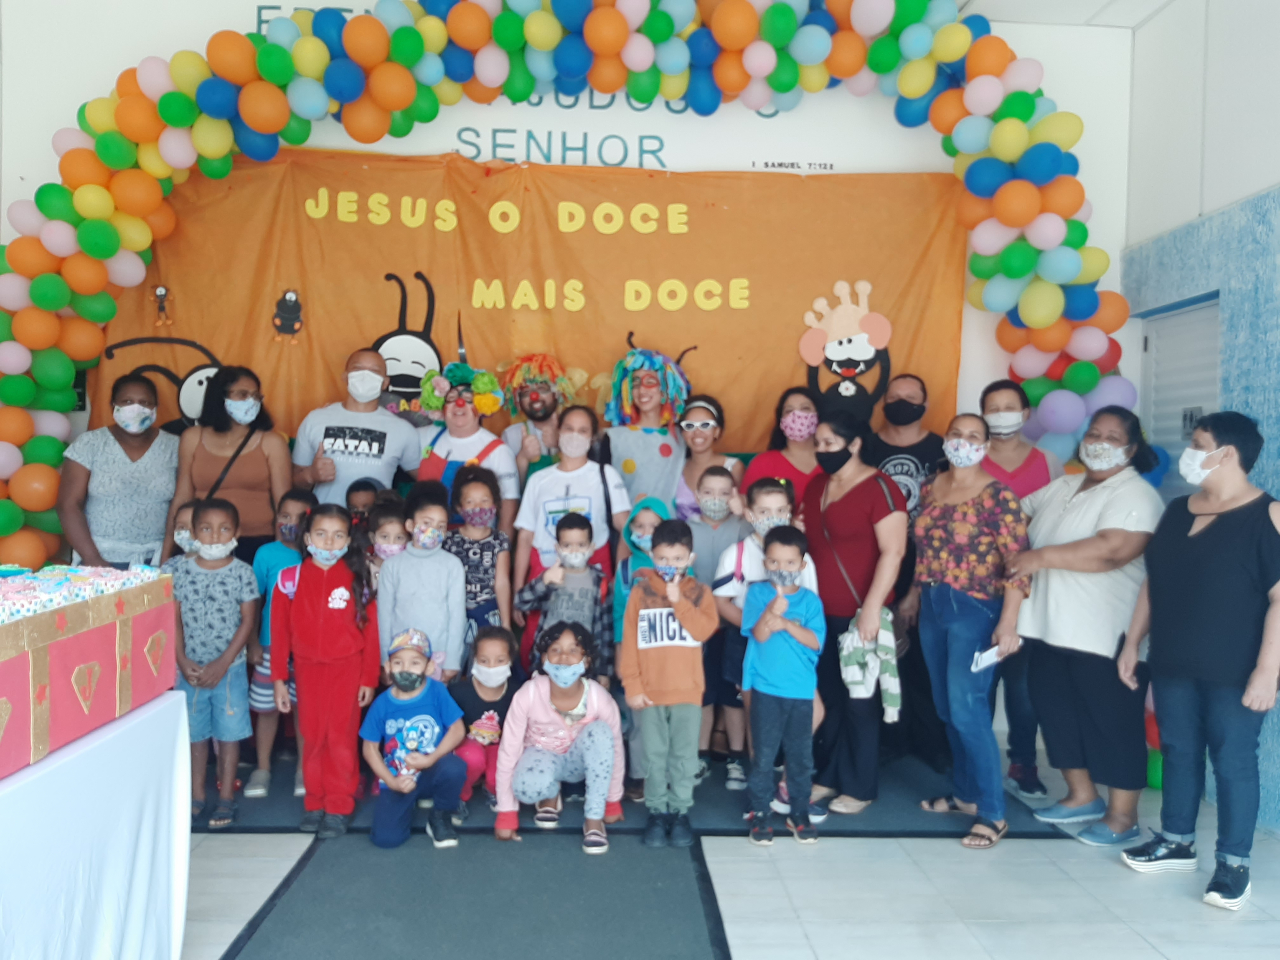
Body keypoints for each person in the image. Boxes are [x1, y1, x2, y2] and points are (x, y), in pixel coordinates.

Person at [1119, 412, 1280, 909]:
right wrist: (1132, 643)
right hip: (1173, 660)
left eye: (1198, 443)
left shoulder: (1268, 515)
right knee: (1179, 750)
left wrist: (1268, 671)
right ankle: (1176, 841)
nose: (1189, 452)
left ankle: (1233, 865)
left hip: (1236, 669)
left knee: (1233, 761)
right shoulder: (1178, 510)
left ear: (1227, 453)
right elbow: (1154, 582)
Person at [1007, 406, 1164, 847]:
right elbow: (1014, 514)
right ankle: (1081, 797)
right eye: (1094, 433)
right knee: (1056, 715)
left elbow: (1113, 550)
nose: (1099, 443)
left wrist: (1039, 557)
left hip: (1104, 633)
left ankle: (1122, 816)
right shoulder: (1065, 484)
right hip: (1047, 627)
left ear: (1131, 449)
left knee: (1113, 724)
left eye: (1112, 437)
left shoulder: (1136, 494)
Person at [911, 415, 1030, 850]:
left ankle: (993, 813)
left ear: (986, 445)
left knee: (967, 709)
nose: (964, 442)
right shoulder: (931, 487)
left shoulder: (998, 496)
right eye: (957, 434)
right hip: (932, 604)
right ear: (946, 440)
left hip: (975, 609)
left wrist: (1008, 622)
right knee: (946, 708)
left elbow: (1018, 564)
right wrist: (913, 595)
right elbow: (925, 550)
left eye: (974, 436)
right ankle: (965, 795)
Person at [804, 412, 908, 816]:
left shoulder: (881, 489)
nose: (821, 450)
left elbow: (893, 552)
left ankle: (860, 786)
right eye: (817, 443)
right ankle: (829, 775)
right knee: (830, 697)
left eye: (829, 443)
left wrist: (872, 609)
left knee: (859, 700)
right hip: (819, 613)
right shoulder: (817, 485)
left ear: (855, 444)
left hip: (859, 614)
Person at [269, 504, 381, 838]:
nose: (329, 543)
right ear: (307, 538)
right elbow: (278, 633)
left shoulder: (359, 579)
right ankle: (315, 802)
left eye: (337, 536)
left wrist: (368, 678)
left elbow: (371, 633)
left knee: (341, 738)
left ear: (348, 540)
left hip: (348, 669)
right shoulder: (289, 580)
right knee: (313, 736)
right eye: (321, 534)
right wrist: (279, 678)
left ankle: (339, 805)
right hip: (307, 670)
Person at [858, 374, 950, 774]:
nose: (901, 402)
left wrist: (917, 587)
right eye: (893, 396)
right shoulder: (866, 447)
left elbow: (945, 521)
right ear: (882, 403)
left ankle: (930, 744)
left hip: (927, 566)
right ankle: (888, 740)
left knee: (926, 661)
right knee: (881, 656)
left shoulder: (942, 449)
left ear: (924, 404)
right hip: (874, 564)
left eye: (910, 397)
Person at [978, 379, 1063, 800]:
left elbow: (1059, 517)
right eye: (992, 408)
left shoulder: (1048, 461)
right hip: (978, 587)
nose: (1001, 415)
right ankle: (974, 764)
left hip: (1032, 588)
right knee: (980, 679)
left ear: (1026, 414)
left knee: (1022, 684)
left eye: (1009, 407)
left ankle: (1023, 763)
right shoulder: (970, 458)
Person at [712, 477, 817, 792]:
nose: (773, 517)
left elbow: (811, 604)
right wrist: (754, 626)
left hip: (791, 645)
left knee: (811, 709)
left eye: (780, 510)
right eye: (764, 511)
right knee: (755, 714)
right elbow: (721, 601)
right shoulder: (737, 553)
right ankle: (760, 786)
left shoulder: (802, 556)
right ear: (749, 514)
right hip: (747, 642)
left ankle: (785, 779)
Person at [619, 519, 720, 849]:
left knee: (684, 756)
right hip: (650, 692)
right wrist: (632, 685)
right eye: (662, 558)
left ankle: (679, 811)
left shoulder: (701, 593)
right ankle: (656, 811)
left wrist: (678, 600)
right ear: (652, 556)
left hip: (687, 692)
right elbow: (630, 642)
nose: (669, 565)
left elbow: (704, 631)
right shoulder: (640, 592)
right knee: (653, 755)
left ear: (690, 558)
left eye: (677, 559)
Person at [494, 621, 626, 854]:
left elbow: (614, 747)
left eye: (573, 650)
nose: (564, 657)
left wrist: (612, 799)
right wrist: (506, 812)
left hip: (579, 762)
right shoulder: (529, 694)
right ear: (544, 658)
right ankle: (550, 793)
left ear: (586, 660)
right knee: (525, 788)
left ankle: (593, 820)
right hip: (541, 755)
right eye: (555, 649)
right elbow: (509, 749)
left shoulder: (599, 697)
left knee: (601, 733)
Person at [168, 499, 260, 830]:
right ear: (193, 533)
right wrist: (181, 659)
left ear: (237, 532)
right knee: (195, 735)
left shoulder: (243, 572)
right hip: (189, 669)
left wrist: (223, 663)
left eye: (224, 529)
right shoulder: (177, 571)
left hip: (230, 671)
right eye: (206, 529)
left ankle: (226, 797)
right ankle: (196, 795)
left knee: (229, 734)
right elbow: (173, 619)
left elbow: (247, 621)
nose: (215, 536)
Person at [742, 525, 827, 845]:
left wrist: (787, 623)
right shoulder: (757, 594)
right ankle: (761, 812)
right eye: (774, 562)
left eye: (790, 563)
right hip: (766, 689)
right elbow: (759, 635)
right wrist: (770, 612)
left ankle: (799, 812)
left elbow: (816, 641)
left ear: (802, 564)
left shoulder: (810, 601)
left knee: (800, 756)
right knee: (763, 755)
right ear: (765, 562)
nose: (782, 568)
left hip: (801, 692)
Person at [167, 366, 292, 563]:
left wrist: (280, 553)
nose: (251, 401)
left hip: (257, 543)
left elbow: (283, 506)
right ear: (220, 396)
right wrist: (167, 553)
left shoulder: (272, 442)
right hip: (203, 542)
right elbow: (182, 497)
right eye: (242, 394)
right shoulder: (192, 438)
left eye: (256, 396)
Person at [58, 373, 180, 568]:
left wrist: (165, 559)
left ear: (155, 407)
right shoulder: (90, 444)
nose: (136, 408)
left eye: (145, 402)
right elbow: (68, 504)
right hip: (97, 558)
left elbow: (182, 505)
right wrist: (92, 559)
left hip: (156, 560)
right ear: (113, 405)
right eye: (127, 401)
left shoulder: (175, 446)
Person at [362, 629, 467, 850]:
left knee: (454, 767)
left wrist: (431, 759)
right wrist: (392, 782)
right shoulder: (382, 703)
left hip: (431, 769)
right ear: (388, 667)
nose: (405, 669)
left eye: (415, 662)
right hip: (398, 777)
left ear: (429, 667)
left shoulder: (436, 691)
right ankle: (407, 802)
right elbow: (369, 748)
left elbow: (458, 729)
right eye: (398, 662)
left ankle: (440, 815)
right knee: (386, 839)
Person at [245, 488, 318, 800]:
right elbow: (253, 600)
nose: (290, 523)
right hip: (270, 645)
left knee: (305, 710)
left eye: (299, 518)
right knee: (267, 709)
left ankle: (304, 768)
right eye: (284, 516)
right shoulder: (266, 553)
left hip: (309, 650)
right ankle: (262, 767)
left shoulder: (319, 555)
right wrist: (252, 643)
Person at [512, 405, 631, 596]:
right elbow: (525, 537)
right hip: (545, 576)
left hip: (594, 578)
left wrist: (618, 577)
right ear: (558, 431)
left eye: (583, 431)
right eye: (569, 428)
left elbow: (625, 528)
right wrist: (518, 590)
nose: (575, 436)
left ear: (592, 438)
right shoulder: (538, 480)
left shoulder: (606, 475)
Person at [688, 466, 752, 784]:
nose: (716, 499)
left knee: (732, 694)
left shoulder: (743, 528)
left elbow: (766, 546)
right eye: (709, 492)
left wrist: (745, 514)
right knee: (703, 693)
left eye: (724, 493)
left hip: (734, 627)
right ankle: (701, 756)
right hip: (697, 628)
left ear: (735, 496)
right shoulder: (686, 530)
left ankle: (736, 758)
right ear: (697, 494)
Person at [292, 349, 422, 505]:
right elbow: (295, 483)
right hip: (325, 518)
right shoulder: (315, 419)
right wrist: (310, 475)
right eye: (358, 369)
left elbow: (425, 480)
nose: (365, 375)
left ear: (385, 382)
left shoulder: (402, 429)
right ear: (345, 377)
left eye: (374, 371)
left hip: (375, 519)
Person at [377, 481, 467, 679]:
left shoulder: (452, 565)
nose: (433, 530)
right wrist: (385, 660)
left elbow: (457, 616)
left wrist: (452, 660)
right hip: (400, 656)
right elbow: (384, 616)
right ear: (410, 525)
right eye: (427, 523)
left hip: (438, 657)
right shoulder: (392, 566)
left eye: (441, 526)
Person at [417, 363, 519, 537]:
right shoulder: (424, 437)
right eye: (451, 398)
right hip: (428, 540)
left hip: (476, 542)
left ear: (481, 405)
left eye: (468, 398)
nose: (459, 403)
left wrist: (501, 549)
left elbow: (507, 515)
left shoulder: (499, 451)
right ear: (441, 406)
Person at [611, 497, 669, 797]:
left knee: (667, 718)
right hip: (635, 654)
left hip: (669, 657)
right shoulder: (625, 569)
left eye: (654, 526)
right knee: (637, 718)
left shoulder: (680, 565)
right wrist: (620, 655)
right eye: (640, 526)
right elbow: (618, 614)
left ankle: (665, 774)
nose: (646, 532)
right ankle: (638, 775)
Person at [515, 513, 613, 676]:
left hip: (583, 663)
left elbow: (606, 630)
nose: (574, 551)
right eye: (567, 545)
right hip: (548, 660)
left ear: (592, 547)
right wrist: (544, 581)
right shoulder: (551, 576)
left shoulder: (600, 582)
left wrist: (604, 672)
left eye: (581, 545)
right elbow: (520, 602)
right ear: (557, 548)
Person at [603, 337, 692, 509]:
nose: (642, 389)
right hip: (629, 524)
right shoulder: (614, 438)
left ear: (666, 388)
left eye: (650, 382)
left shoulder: (682, 438)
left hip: (672, 524)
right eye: (635, 383)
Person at [449, 626, 522, 816]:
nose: (491, 667)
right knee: (472, 757)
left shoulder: (518, 693)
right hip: (467, 748)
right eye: (484, 660)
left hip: (499, 748)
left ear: (510, 660)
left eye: (500, 660)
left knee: (499, 770)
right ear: (474, 659)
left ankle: (491, 788)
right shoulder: (458, 691)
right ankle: (460, 794)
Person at [444, 466, 512, 640]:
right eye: (470, 502)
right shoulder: (449, 540)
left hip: (489, 613)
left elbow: (502, 583)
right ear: (459, 507)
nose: (478, 507)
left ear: (495, 504)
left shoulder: (499, 540)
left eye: (484, 500)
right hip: (455, 614)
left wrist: (506, 623)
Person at [499, 354, 576, 485]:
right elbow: (509, 490)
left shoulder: (575, 428)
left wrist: (560, 445)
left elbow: (587, 477)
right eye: (526, 392)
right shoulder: (511, 435)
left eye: (542, 389)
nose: (534, 396)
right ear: (518, 401)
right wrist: (523, 458)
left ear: (556, 393)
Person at [740, 387, 823, 506]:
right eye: (789, 411)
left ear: (818, 416)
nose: (796, 415)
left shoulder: (834, 459)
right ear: (781, 421)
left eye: (805, 408)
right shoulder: (763, 463)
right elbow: (746, 505)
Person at [675, 395, 744, 521]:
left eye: (705, 425)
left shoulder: (733, 467)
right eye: (689, 426)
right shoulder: (677, 467)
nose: (697, 432)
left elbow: (741, 512)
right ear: (683, 433)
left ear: (716, 431)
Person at [365, 499, 408, 590]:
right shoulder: (363, 568)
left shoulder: (411, 569)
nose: (391, 543)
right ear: (372, 538)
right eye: (384, 537)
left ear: (408, 540)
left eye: (399, 538)